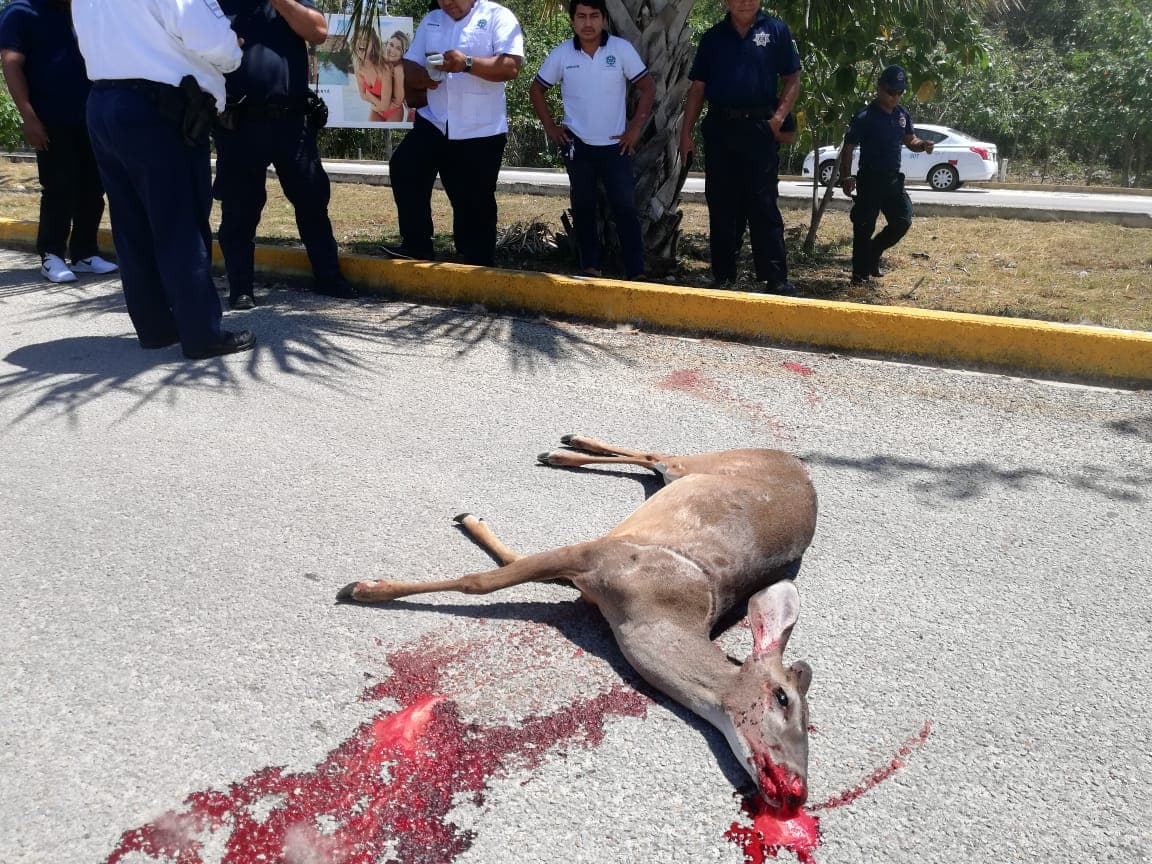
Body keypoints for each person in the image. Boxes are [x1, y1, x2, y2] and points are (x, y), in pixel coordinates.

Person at [71, 0, 254, 359]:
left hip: (104, 101)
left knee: (130, 224)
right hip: (159, 108)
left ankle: (155, 328)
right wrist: (233, 49)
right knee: (179, 224)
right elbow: (211, 38)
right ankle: (202, 334)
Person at [213, 0, 354, 311]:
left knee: (312, 200)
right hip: (238, 122)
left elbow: (318, 31)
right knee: (239, 210)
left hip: (291, 121)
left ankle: (329, 277)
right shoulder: (215, 3)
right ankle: (240, 287)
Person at [384, 0, 524, 267]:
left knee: (473, 198)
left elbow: (511, 67)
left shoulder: (498, 16)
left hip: (480, 128)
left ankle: (477, 260)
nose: (446, 3)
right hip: (434, 121)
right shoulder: (432, 19)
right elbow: (409, 64)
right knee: (405, 167)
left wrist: (467, 63)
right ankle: (417, 245)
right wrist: (425, 77)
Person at [678, 0, 801, 295]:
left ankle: (775, 277)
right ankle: (722, 275)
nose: (744, 2)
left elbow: (792, 78)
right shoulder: (712, 37)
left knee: (763, 203)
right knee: (720, 202)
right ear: (725, 2)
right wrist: (686, 134)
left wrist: (777, 119)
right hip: (721, 127)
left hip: (759, 128)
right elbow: (697, 89)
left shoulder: (776, 31)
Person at [529, 0, 655, 280]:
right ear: (573, 21)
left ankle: (635, 270)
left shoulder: (620, 49)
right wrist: (551, 127)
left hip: (615, 146)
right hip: (578, 145)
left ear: (604, 20)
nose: (588, 23)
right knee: (584, 206)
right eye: (582, 17)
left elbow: (647, 86)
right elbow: (537, 89)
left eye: (594, 16)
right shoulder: (562, 54)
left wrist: (634, 129)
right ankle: (590, 266)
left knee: (624, 206)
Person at [0, 0, 117, 284]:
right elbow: (11, 63)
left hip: (91, 116)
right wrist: (29, 117)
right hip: (50, 118)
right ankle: (51, 254)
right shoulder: (20, 12)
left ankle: (85, 253)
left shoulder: (83, 12)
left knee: (93, 187)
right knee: (59, 187)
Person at [838, 65, 934, 285]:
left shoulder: (902, 115)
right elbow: (848, 147)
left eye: (900, 93)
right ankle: (859, 274)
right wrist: (846, 177)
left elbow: (911, 140)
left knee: (902, 221)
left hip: (892, 179)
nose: (895, 97)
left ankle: (874, 251)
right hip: (870, 179)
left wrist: (923, 145)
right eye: (892, 92)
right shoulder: (865, 117)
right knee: (863, 227)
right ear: (879, 88)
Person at [354, 28, 409, 122]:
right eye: (391, 45)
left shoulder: (399, 70)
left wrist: (370, 96)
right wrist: (377, 106)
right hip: (377, 108)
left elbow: (396, 102)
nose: (392, 50)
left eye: (398, 48)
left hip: (393, 111)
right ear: (386, 44)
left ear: (403, 53)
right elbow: (362, 95)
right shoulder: (382, 62)